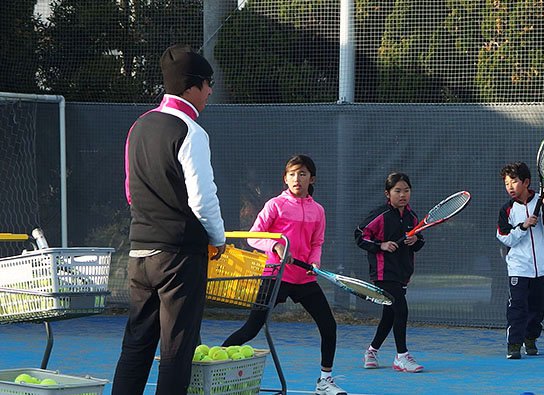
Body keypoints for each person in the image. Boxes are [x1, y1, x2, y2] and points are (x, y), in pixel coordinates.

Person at [115, 44, 225, 395]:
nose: (210, 91)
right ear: (191, 86)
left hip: (139, 255)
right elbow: (203, 199)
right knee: (177, 352)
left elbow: (131, 192)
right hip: (179, 258)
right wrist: (218, 238)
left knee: (135, 347)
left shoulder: (139, 125)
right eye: (207, 83)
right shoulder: (191, 131)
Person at [221, 155, 347, 395]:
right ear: (285, 178)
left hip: (305, 279)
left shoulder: (318, 211)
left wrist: (314, 261)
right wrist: (276, 246)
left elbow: (317, 242)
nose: (297, 178)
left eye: (302, 174)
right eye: (292, 174)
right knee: (251, 329)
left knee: (329, 326)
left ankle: (324, 382)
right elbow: (253, 236)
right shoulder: (275, 205)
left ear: (312, 179)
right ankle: (211, 365)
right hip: (276, 277)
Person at [355, 172, 426, 373]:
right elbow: (360, 235)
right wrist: (381, 245)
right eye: (397, 191)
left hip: (402, 273)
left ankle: (372, 351)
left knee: (390, 314)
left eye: (406, 190)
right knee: (401, 310)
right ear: (388, 194)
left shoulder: (412, 217)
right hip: (383, 273)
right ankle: (401, 357)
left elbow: (419, 243)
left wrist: (416, 241)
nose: (402, 195)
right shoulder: (380, 215)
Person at [496, 162, 544, 359]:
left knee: (538, 306)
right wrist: (523, 226)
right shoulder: (506, 210)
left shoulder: (542, 201)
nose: (510, 187)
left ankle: (530, 338)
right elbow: (504, 236)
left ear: (526, 182)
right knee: (517, 306)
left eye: (514, 182)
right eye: (506, 183)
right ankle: (514, 345)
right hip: (519, 267)